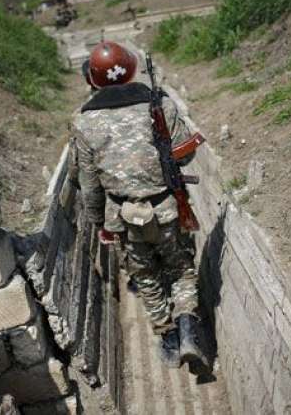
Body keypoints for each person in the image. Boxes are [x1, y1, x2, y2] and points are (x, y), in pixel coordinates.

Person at [72, 41, 204, 368]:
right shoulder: (159, 105)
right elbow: (185, 153)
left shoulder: (83, 122)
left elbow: (89, 184)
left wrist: (98, 223)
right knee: (180, 267)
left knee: (144, 274)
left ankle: (169, 337)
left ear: (93, 79)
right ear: (130, 68)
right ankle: (188, 328)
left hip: (122, 216)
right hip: (167, 207)